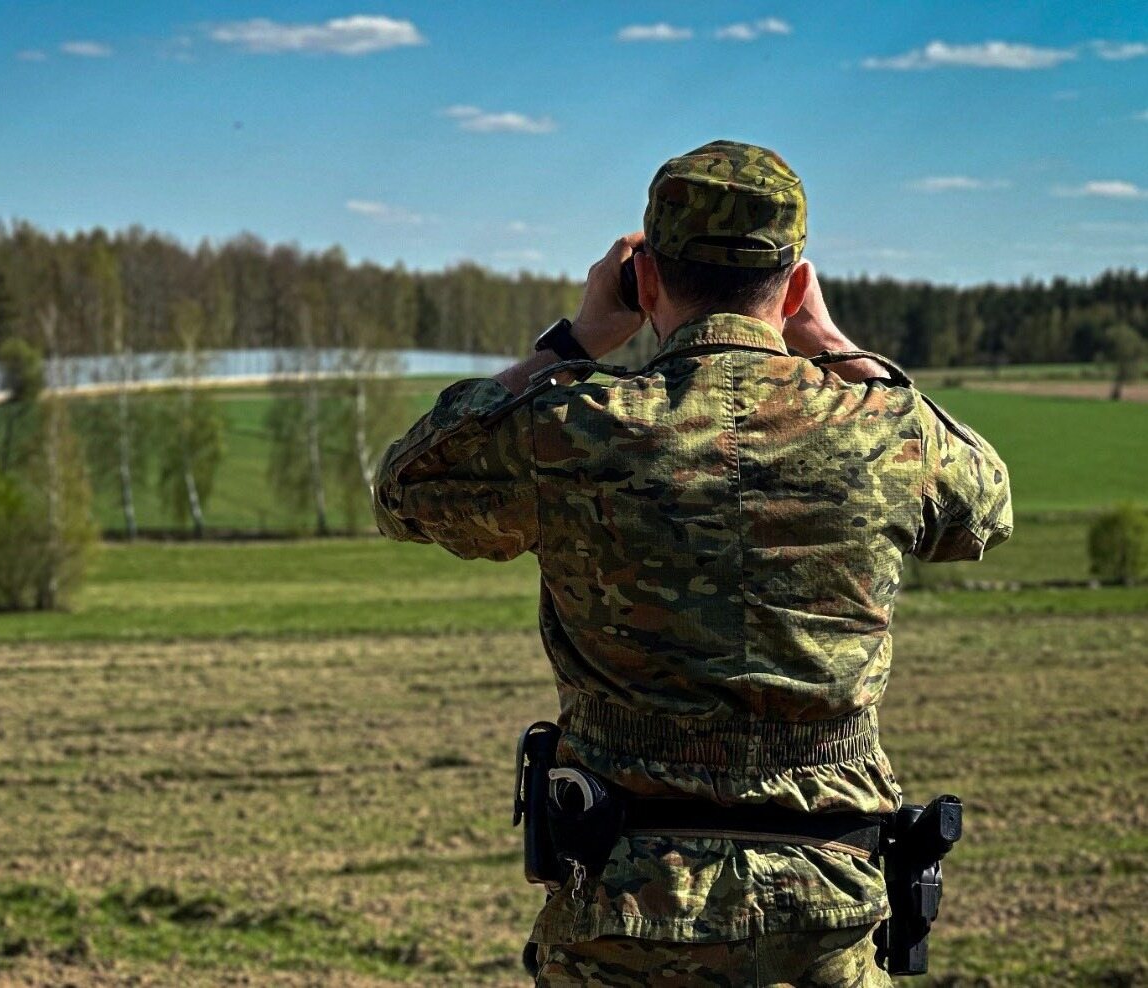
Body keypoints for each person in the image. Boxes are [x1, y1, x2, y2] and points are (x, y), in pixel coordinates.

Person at [371, 140, 1012, 986]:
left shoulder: (578, 427)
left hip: (630, 905)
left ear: (644, 280)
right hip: (824, 907)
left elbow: (408, 487)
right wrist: (831, 342)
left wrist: (572, 341)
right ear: (790, 286)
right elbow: (986, 506)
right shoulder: (883, 429)